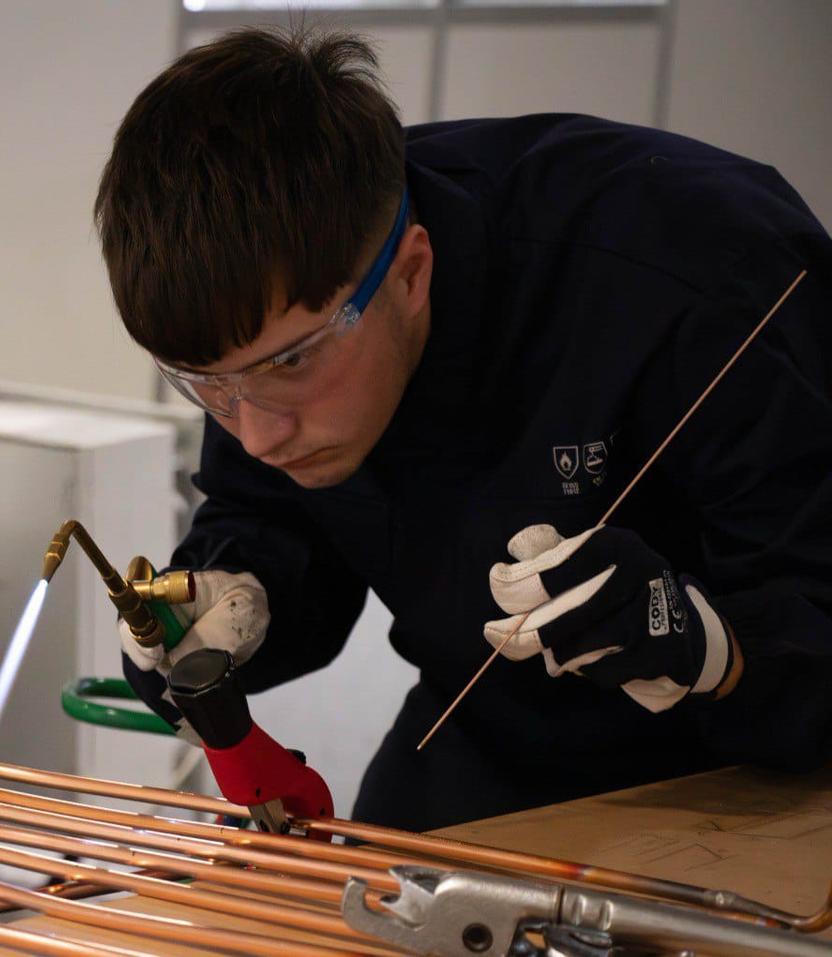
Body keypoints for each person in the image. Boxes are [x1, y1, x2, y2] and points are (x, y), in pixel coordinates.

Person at [92, 26, 832, 832]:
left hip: (752, 763)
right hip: (477, 734)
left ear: (410, 272)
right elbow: (271, 517)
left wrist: (711, 647)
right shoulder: (266, 328)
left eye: (290, 365)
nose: (257, 435)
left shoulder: (704, 271)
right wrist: (237, 591)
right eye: (205, 385)